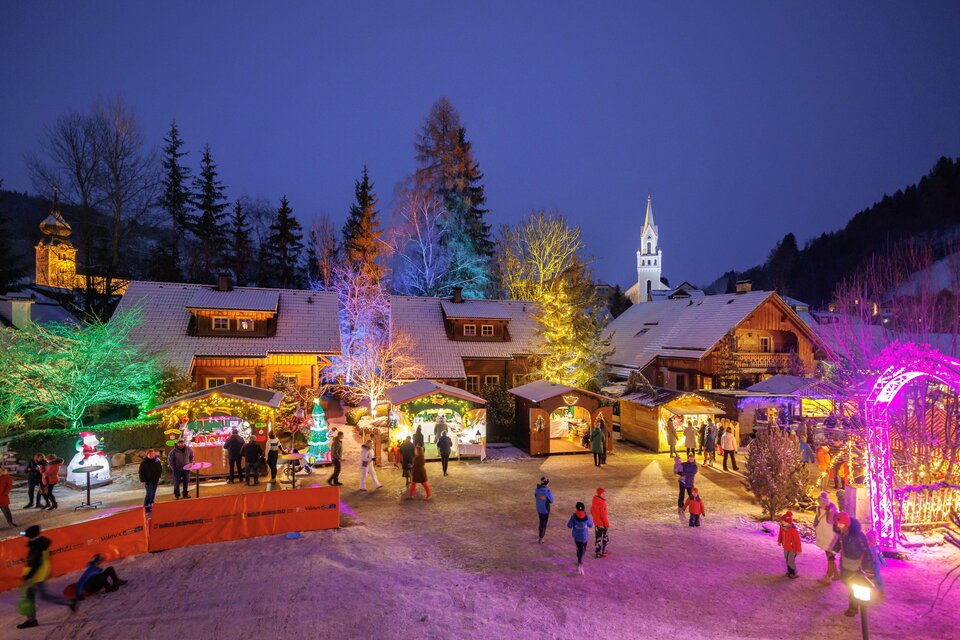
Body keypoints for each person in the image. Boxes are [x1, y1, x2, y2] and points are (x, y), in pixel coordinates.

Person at [16, 525, 76, 629]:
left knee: (39, 596)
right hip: (40, 575)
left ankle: (32, 620)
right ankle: (32, 619)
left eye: (26, 535)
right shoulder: (40, 543)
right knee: (33, 595)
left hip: (35, 576)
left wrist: (27, 576)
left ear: (31, 536)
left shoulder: (36, 547)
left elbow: (35, 564)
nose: (24, 537)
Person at [833, 512, 877, 617]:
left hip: (858, 566)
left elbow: (867, 551)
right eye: (837, 524)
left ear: (847, 524)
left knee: (855, 586)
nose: (838, 526)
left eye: (840, 524)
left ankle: (855, 607)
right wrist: (833, 553)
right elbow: (839, 543)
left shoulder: (858, 536)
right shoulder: (843, 533)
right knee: (850, 585)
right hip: (847, 564)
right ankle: (855, 606)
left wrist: (869, 568)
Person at [813, 492, 839, 585]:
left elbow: (835, 525)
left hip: (831, 539)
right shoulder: (819, 510)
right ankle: (835, 574)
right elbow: (818, 522)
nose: (821, 505)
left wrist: (831, 513)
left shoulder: (833, 512)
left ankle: (828, 577)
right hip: (825, 537)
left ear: (827, 502)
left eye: (823, 503)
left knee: (830, 558)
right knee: (829, 557)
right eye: (820, 503)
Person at [567, 501, 594, 575]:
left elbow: (569, 525)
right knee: (583, 550)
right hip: (584, 537)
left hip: (576, 536)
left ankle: (579, 562)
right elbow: (591, 525)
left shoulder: (574, 517)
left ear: (576, 508)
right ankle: (580, 563)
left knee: (579, 549)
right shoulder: (586, 516)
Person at [777, 510, 802, 579]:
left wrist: (798, 550)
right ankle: (789, 571)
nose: (782, 522)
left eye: (783, 521)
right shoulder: (782, 527)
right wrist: (779, 541)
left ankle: (794, 573)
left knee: (790, 560)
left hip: (793, 548)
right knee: (787, 559)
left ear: (788, 522)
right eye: (781, 521)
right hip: (785, 547)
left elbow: (797, 541)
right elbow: (780, 535)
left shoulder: (793, 530)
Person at [590, 487, 610, 558]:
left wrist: (595, 519)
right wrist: (607, 525)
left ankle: (597, 553)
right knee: (605, 537)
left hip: (597, 523)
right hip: (602, 524)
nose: (604, 494)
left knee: (598, 538)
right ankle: (604, 551)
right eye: (603, 493)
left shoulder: (594, 501)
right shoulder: (602, 503)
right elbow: (603, 516)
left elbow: (591, 511)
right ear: (599, 494)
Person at [534, 476, 553, 544]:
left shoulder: (537, 489)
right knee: (544, 523)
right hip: (545, 509)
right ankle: (541, 537)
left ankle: (540, 533)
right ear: (547, 483)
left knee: (541, 521)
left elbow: (535, 495)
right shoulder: (547, 491)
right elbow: (552, 500)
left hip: (539, 508)